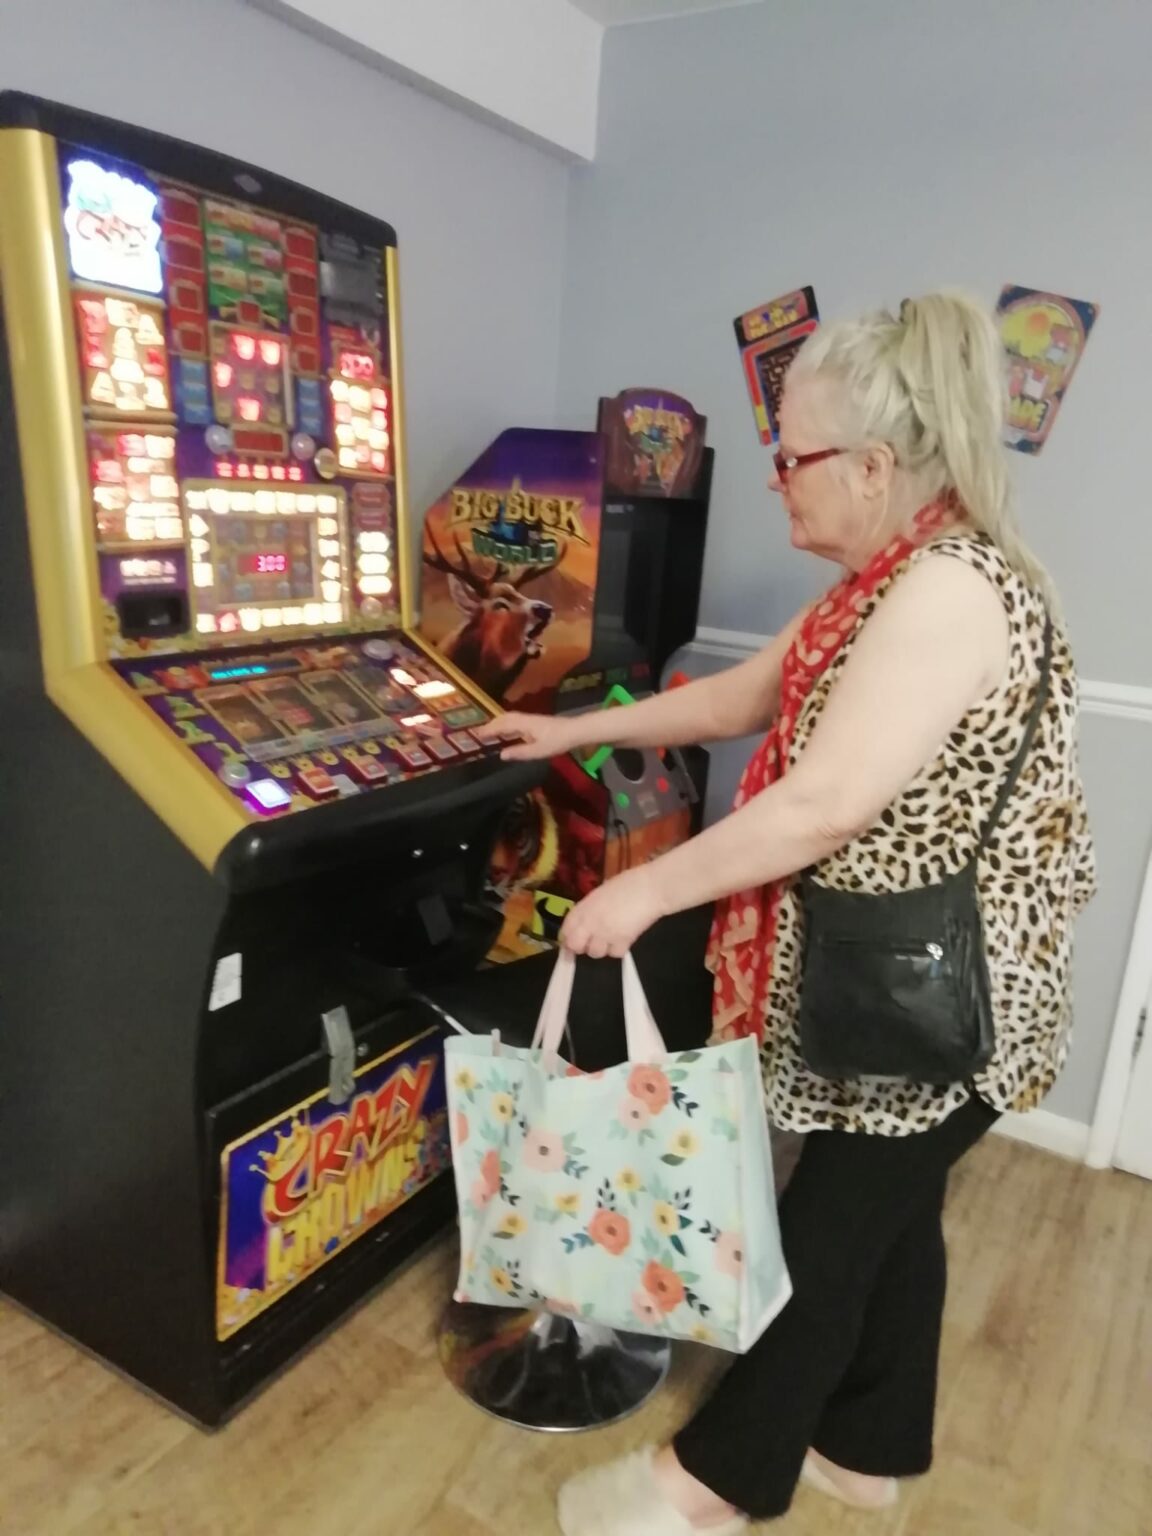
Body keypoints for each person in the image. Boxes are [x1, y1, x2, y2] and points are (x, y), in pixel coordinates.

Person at [477, 292, 1097, 1534]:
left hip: (950, 997)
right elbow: (734, 703)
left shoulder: (947, 590)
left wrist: (643, 887)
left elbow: (824, 805)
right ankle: (868, 1450)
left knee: (832, 1230)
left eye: (793, 457)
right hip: (894, 981)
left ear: (872, 468)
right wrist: (564, 730)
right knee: (890, 1219)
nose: (775, 481)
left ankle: (714, 1483)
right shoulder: (880, 581)